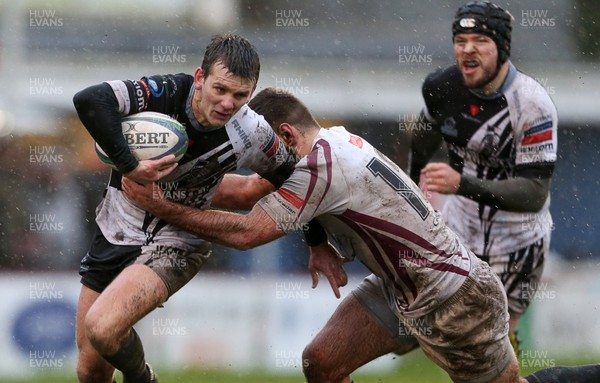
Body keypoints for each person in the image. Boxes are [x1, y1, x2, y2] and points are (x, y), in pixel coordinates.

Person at [122, 88, 599, 383]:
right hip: (400, 289)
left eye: (262, 150)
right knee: (323, 364)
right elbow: (249, 191)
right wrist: (172, 177)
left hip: (454, 296)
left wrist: (161, 205)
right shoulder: (330, 142)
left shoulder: (320, 166)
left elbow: (248, 232)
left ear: (285, 135)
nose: (260, 162)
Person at [72, 34, 297, 383]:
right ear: (200, 78)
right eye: (219, 90)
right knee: (90, 371)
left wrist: (316, 242)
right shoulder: (164, 93)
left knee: (102, 328)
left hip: (175, 243)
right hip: (116, 229)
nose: (227, 103)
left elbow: (295, 180)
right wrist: (129, 164)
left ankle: (142, 378)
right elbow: (89, 99)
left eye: (240, 95)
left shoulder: (252, 131)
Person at [408, 1, 558, 355]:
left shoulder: (533, 104)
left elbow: (534, 193)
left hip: (518, 244)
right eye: (460, 40)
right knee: (450, 340)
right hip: (459, 230)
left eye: (480, 40)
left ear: (502, 48)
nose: (467, 49)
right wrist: (412, 189)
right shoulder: (441, 87)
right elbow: (422, 139)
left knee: (492, 347)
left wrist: (462, 183)